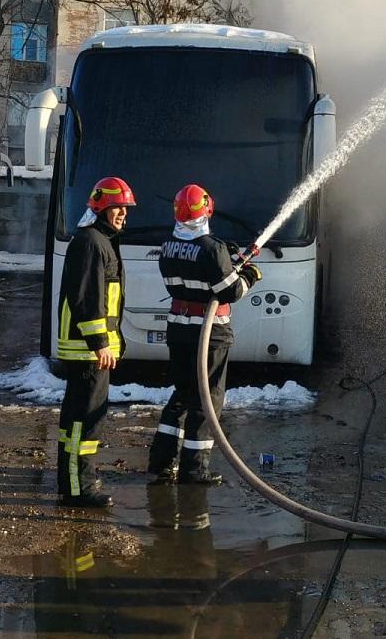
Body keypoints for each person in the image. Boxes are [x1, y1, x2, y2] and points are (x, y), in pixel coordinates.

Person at [146, 184, 262, 486]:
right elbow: (229, 291)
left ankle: (161, 461)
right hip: (210, 334)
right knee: (207, 400)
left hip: (179, 330)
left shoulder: (168, 245)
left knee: (183, 394)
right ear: (206, 210)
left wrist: (229, 259)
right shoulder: (212, 249)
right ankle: (194, 469)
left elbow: (198, 275)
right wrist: (249, 276)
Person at [54, 176, 136, 508]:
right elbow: (87, 298)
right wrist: (99, 342)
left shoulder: (100, 240)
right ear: (102, 207)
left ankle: (76, 481)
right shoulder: (92, 242)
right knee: (84, 421)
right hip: (88, 351)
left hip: (90, 349)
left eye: (126, 210)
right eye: (118, 208)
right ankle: (79, 488)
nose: (123, 215)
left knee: (80, 419)